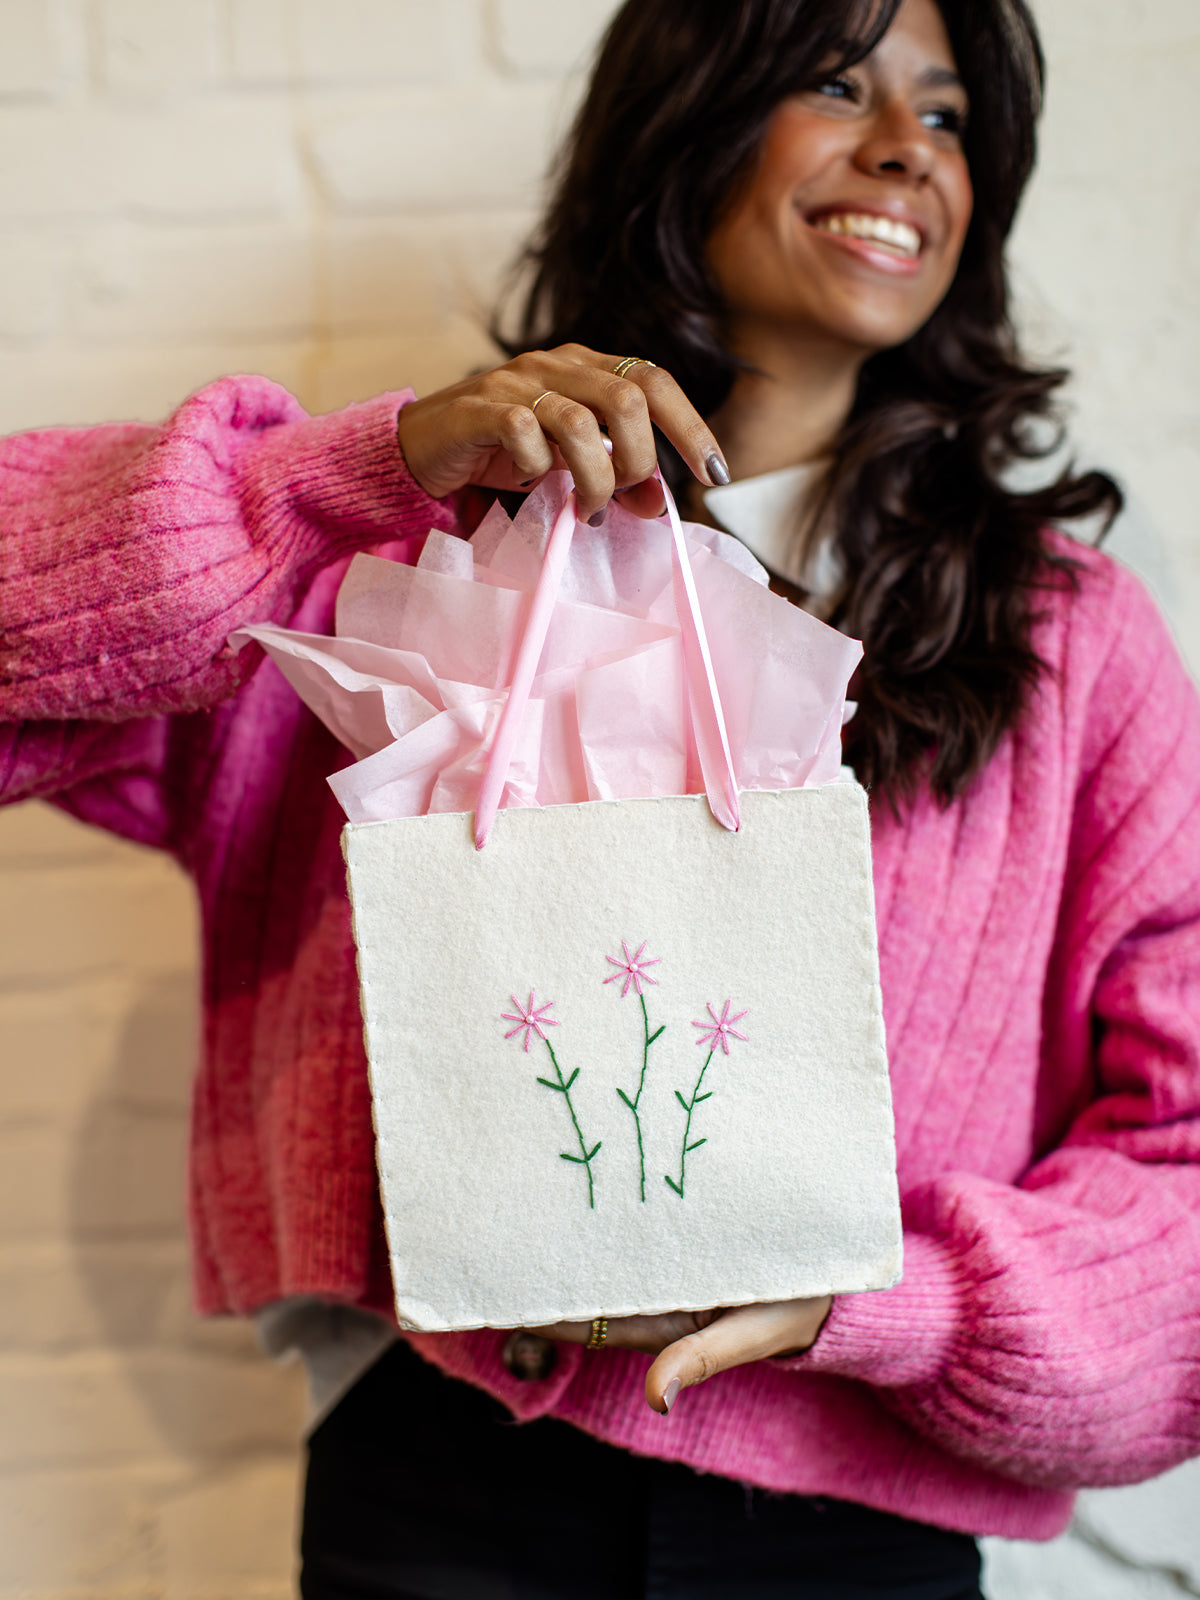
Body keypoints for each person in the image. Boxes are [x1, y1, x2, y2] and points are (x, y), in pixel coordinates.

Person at [2, 0, 1199, 1595]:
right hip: (437, 1490)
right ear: (692, 118)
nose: (909, 147)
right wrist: (341, 478)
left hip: (848, 1536)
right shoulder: (403, 560)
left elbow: (1184, 1167)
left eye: (954, 114)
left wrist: (891, 1302)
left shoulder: (1070, 641)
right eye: (839, 83)